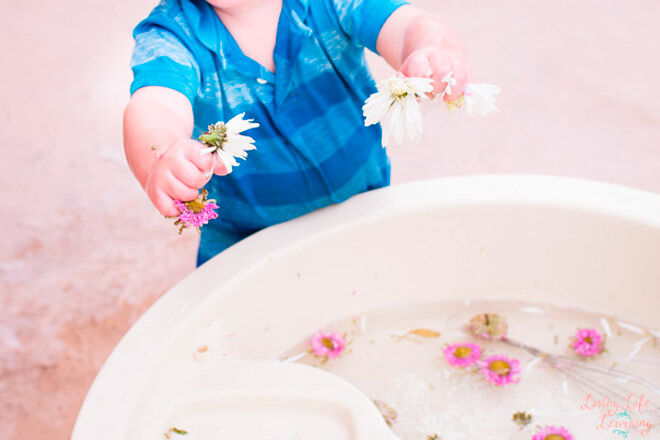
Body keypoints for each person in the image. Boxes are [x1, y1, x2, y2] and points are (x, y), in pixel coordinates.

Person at [123, 0, 470, 265]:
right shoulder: (171, 37)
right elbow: (156, 105)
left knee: (374, 285)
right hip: (245, 236)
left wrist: (429, 49)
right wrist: (162, 152)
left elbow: (407, 24)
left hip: (361, 201)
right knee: (248, 334)